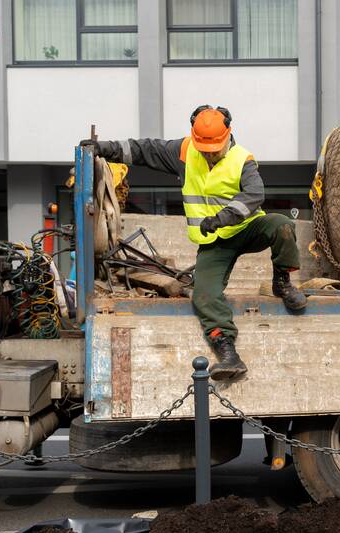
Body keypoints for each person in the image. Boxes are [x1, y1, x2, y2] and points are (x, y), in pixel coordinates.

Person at [93, 105, 307, 381]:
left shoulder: (243, 159)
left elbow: (255, 195)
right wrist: (102, 148)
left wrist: (222, 218)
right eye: (204, 148)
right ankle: (228, 354)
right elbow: (143, 150)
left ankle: (283, 283)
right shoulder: (183, 152)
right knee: (204, 296)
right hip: (214, 243)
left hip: (246, 228)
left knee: (282, 226)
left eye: (214, 149)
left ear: (228, 135)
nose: (209, 153)